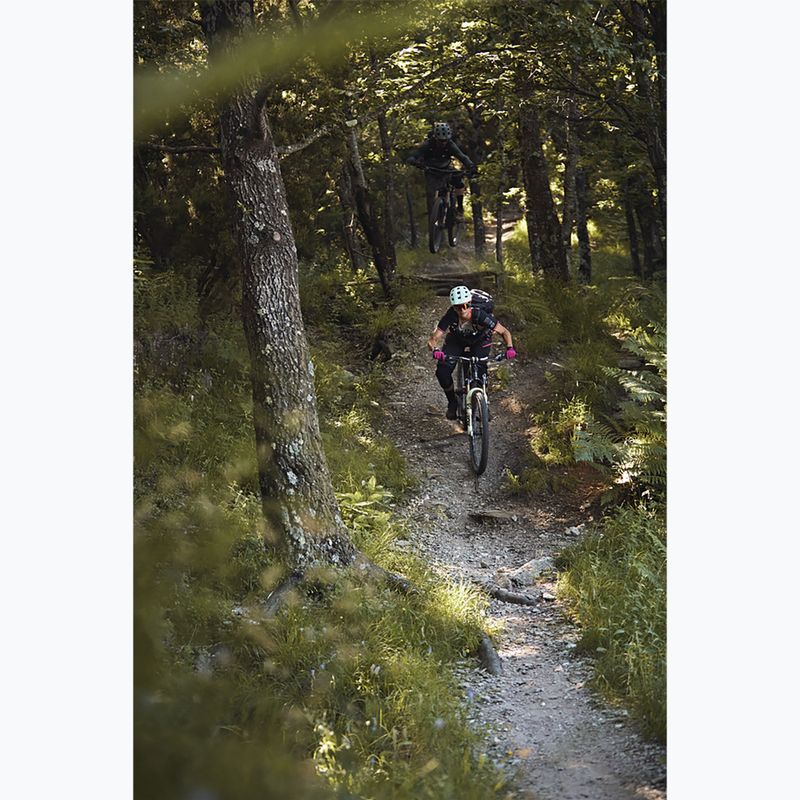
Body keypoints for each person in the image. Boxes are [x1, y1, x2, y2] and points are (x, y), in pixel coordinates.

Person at [427, 285, 516, 420]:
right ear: (454, 307)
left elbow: (504, 331)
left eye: (465, 305)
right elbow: (433, 338)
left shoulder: (479, 315)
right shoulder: (451, 315)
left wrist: (510, 348)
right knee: (442, 371)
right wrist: (435, 349)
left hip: (480, 340)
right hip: (456, 340)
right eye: (458, 307)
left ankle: (484, 405)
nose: (462, 310)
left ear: (469, 304)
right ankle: (452, 403)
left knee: (481, 371)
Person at [406, 122, 476, 221]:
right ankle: (437, 210)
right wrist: (412, 159)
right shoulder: (428, 144)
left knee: (459, 183)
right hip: (432, 170)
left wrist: (471, 165)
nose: (443, 143)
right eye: (441, 141)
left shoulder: (450, 144)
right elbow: (417, 153)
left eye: (445, 141)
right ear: (435, 137)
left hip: (446, 168)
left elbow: (462, 156)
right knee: (434, 189)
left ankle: (459, 208)